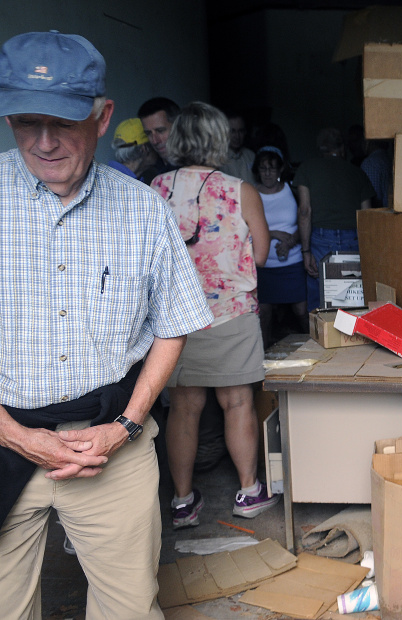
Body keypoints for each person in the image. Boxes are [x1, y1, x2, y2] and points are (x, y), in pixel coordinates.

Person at [0, 31, 213, 618]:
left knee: (128, 608)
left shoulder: (144, 210)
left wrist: (125, 424)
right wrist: (16, 435)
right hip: (3, 433)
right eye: (25, 122)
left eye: (63, 123)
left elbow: (174, 324)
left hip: (109, 445)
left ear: (102, 117)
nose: (42, 143)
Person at [150, 102, 277, 530]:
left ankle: (183, 501)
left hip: (175, 319)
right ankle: (248, 492)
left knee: (183, 408)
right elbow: (259, 254)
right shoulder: (240, 190)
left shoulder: (156, 187)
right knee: (237, 402)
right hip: (230, 315)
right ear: (219, 140)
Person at [295, 127, 375, 311]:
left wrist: (306, 251)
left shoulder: (307, 169)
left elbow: (305, 211)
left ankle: (321, 335)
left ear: (320, 148)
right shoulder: (357, 173)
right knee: (351, 294)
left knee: (320, 297)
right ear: (343, 149)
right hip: (353, 239)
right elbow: (367, 217)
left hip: (320, 239)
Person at [254, 146, 308, 347]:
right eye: (263, 169)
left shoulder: (291, 190)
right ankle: (264, 351)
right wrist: (273, 235)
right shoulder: (251, 193)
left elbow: (306, 218)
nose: (267, 173)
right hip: (265, 265)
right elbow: (245, 227)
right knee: (264, 313)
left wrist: (291, 241)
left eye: (272, 168)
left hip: (293, 263)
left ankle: (314, 345)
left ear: (280, 170)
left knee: (301, 310)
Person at [138, 96, 180, 182]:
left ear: (178, 126)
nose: (155, 141)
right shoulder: (147, 172)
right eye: (148, 133)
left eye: (160, 131)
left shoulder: (197, 169)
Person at [219, 109, 254, 183]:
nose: (237, 136)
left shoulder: (251, 156)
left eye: (240, 131)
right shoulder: (218, 158)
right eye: (232, 131)